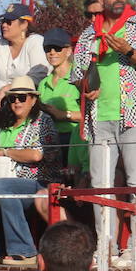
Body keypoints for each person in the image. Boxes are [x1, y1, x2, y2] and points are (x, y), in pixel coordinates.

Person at [71, 0, 136, 264]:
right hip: (99, 114)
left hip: (134, 112)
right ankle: (106, 246)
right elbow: (77, 78)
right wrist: (87, 87)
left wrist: (127, 50)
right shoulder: (89, 35)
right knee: (100, 183)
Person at [0, 75, 58, 265]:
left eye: (22, 97)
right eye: (12, 98)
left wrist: (5, 152)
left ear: (33, 100)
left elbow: (36, 155)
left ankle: (24, 251)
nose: (16, 102)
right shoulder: (5, 126)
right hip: (8, 179)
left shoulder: (42, 122)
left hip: (39, 182)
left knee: (3, 186)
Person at [0, 2, 50, 136]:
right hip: (3, 98)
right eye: (3, 21)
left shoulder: (36, 41)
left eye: (9, 22)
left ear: (24, 24)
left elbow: (39, 75)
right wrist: (4, 91)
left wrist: (8, 88)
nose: (4, 25)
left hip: (29, 98)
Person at [38, 28, 88, 181]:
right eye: (48, 49)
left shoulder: (80, 79)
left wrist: (63, 115)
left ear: (68, 51)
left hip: (74, 138)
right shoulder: (42, 84)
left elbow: (91, 115)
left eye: (57, 48)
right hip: (47, 139)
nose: (52, 52)